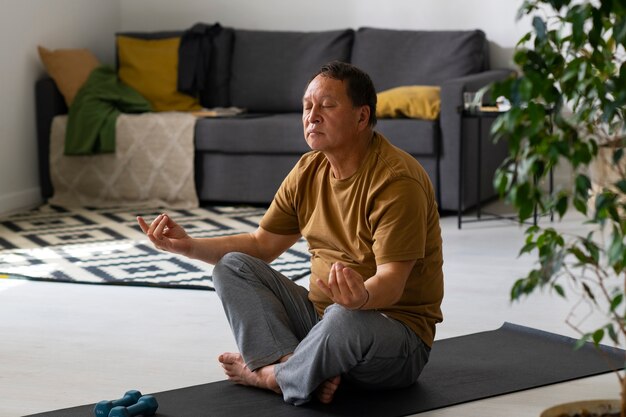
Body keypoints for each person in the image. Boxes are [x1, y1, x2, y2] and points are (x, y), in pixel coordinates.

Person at [137, 61, 443, 406]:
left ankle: (269, 377)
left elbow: (392, 280)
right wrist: (188, 246)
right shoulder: (308, 169)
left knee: (345, 318)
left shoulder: (396, 181)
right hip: (320, 322)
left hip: (394, 338)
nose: (312, 116)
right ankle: (295, 368)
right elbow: (261, 245)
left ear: (361, 117)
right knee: (233, 265)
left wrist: (359, 300)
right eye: (306, 106)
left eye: (327, 106)